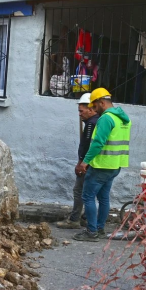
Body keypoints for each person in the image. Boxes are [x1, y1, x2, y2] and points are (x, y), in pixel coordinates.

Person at [74, 88, 131, 242]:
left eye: (95, 105)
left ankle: (91, 232)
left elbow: (98, 143)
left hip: (101, 165)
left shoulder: (106, 118)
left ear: (102, 102)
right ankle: (99, 228)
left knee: (87, 196)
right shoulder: (123, 119)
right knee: (103, 198)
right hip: (115, 165)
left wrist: (84, 162)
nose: (93, 109)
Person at [57, 93, 99, 229]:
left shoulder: (91, 124)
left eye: (82, 111)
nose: (79, 114)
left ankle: (75, 219)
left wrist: (81, 163)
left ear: (91, 109)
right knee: (91, 192)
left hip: (88, 163)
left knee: (79, 190)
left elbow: (87, 145)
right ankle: (86, 218)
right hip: (96, 163)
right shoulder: (97, 121)